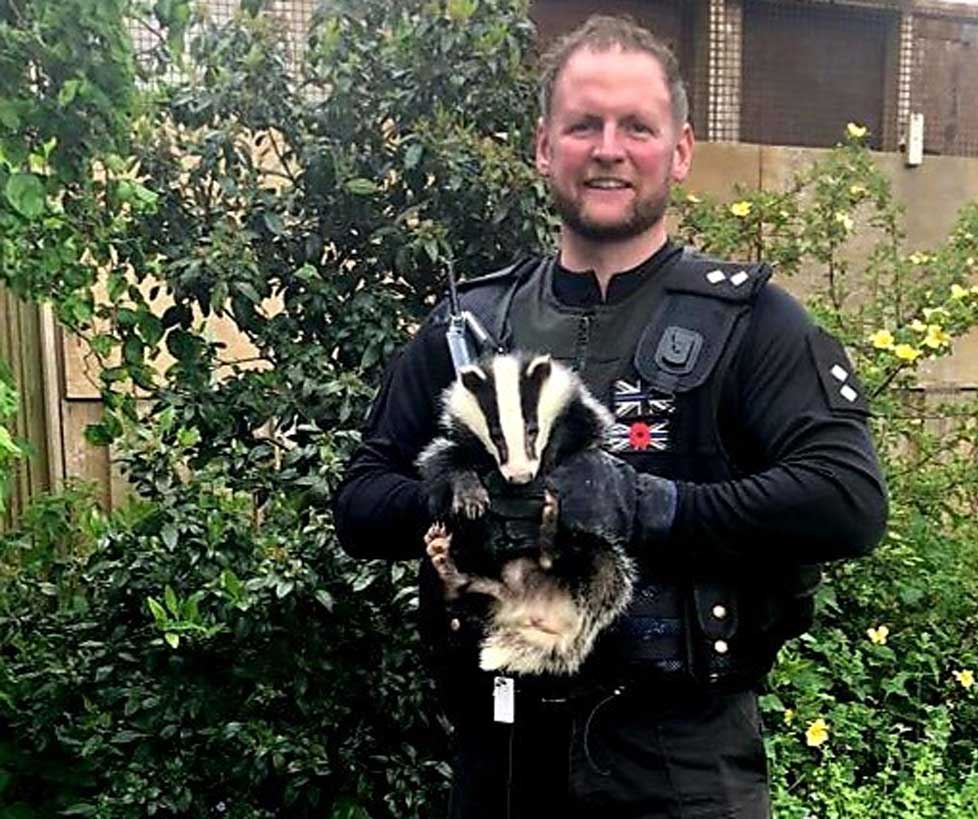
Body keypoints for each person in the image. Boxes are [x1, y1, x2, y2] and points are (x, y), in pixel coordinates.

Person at [333, 14, 887, 819]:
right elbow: (358, 501)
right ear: (543, 146)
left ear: (681, 150)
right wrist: (468, 501)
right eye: (583, 124)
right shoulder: (471, 329)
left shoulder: (750, 322)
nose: (608, 148)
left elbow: (847, 501)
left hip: (681, 757)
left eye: (637, 126)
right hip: (503, 754)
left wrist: (646, 504)